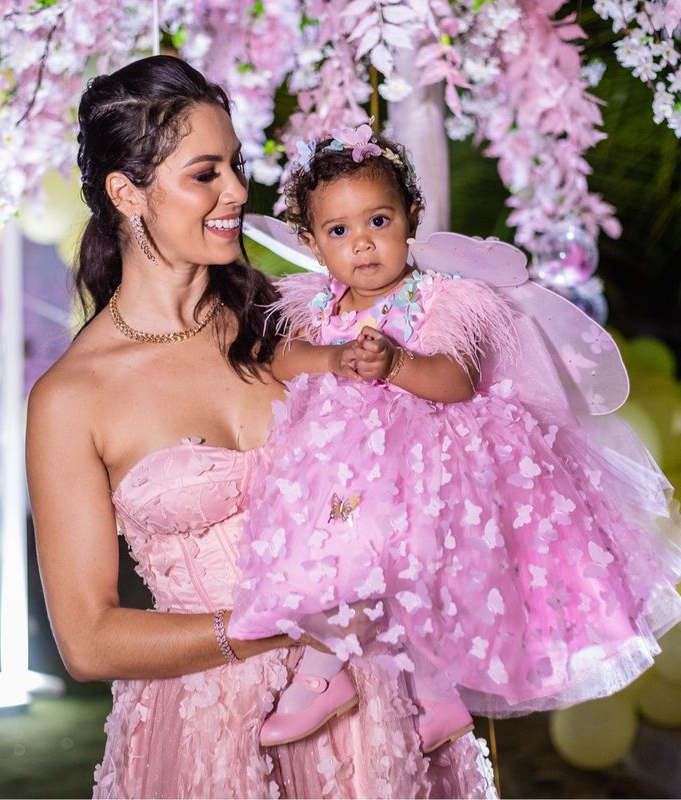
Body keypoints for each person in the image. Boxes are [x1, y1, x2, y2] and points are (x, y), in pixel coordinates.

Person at [26, 55, 497, 799]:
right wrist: (276, 626)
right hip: (213, 727)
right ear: (127, 193)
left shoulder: (303, 319)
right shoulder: (71, 397)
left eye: (237, 167)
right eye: (205, 173)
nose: (238, 192)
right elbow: (88, 640)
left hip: (378, 702)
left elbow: (436, 444)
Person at [228, 127, 681, 753]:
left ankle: (336, 679)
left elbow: (455, 381)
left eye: (378, 221)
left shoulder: (441, 297)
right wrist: (332, 360)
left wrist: (393, 365)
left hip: (431, 466)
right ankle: (426, 698)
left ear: (411, 218)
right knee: (345, 562)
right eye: (338, 232)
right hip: (346, 470)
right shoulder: (319, 309)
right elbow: (283, 362)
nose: (361, 244)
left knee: (414, 571)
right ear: (310, 242)